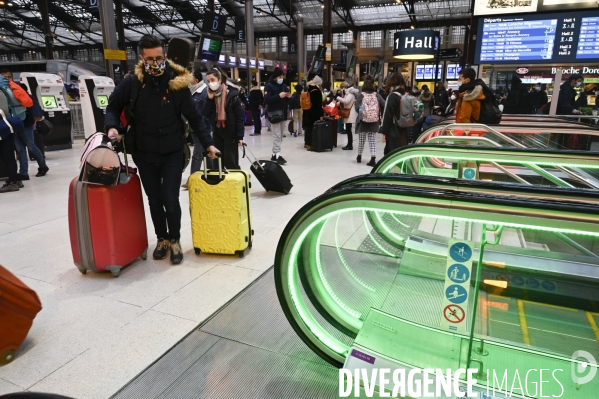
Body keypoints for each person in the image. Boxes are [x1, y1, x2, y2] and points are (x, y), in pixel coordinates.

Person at [104, 34, 219, 265]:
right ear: (142, 59)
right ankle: (162, 239)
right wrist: (111, 128)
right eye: (150, 59)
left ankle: (175, 239)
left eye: (159, 58)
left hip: (172, 151)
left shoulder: (176, 83)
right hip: (144, 152)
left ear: (165, 56)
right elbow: (112, 107)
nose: (155, 63)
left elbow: (195, 118)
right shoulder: (132, 82)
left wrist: (208, 143)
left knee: (170, 198)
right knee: (154, 199)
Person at [0, 69, 49, 180]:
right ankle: (23, 173)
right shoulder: (4, 90)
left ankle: (43, 166)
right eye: (4, 77)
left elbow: (29, 102)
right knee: (20, 149)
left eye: (8, 77)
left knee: (30, 146)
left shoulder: (18, 87)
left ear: (12, 77)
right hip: (13, 123)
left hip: (25, 121)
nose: (6, 79)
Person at [202, 67, 245, 170]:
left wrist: (240, 136)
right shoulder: (210, 95)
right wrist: (209, 99)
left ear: (220, 80)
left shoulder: (232, 95)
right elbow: (205, 114)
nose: (210, 83)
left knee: (231, 161)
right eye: (208, 81)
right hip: (217, 131)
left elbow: (239, 117)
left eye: (212, 80)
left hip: (230, 132)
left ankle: (233, 183)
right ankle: (219, 183)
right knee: (217, 161)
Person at [181, 68, 211, 190]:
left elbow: (205, 112)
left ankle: (192, 180)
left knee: (197, 155)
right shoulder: (190, 92)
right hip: (192, 128)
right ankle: (210, 174)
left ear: (196, 80)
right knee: (205, 153)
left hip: (202, 128)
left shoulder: (204, 92)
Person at [354, 75, 385, 166]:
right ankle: (373, 158)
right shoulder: (377, 95)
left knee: (362, 139)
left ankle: (359, 156)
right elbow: (384, 104)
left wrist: (362, 113)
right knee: (372, 140)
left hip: (362, 120)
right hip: (374, 121)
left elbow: (357, 108)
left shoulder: (361, 95)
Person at [263, 67, 290, 165]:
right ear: (275, 77)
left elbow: (287, 99)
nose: (281, 78)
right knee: (276, 135)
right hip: (274, 113)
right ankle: (278, 155)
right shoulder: (269, 86)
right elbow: (267, 99)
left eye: (282, 76)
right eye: (279, 76)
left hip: (283, 113)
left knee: (281, 135)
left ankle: (274, 154)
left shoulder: (283, 86)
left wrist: (288, 97)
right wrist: (279, 96)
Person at [380, 72, 409, 154]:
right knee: (400, 152)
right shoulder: (405, 94)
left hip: (393, 128)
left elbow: (388, 115)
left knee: (391, 153)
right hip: (404, 128)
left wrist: (384, 132)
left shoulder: (392, 96)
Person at [302, 76, 324, 151]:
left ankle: (307, 144)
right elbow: (318, 104)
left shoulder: (309, 89)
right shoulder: (316, 91)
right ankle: (311, 144)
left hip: (307, 111)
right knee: (312, 129)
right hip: (314, 113)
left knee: (308, 128)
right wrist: (321, 114)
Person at [336, 82, 359, 150]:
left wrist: (338, 98)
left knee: (348, 130)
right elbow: (344, 101)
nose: (341, 90)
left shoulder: (350, 93)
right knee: (348, 129)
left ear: (344, 87)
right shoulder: (347, 93)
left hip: (350, 113)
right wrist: (337, 103)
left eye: (341, 88)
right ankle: (349, 144)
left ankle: (350, 145)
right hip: (349, 112)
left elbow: (346, 101)